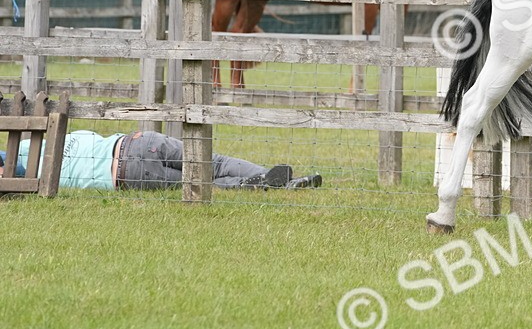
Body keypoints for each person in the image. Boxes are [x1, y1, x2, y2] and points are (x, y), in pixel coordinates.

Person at [0, 128, 322, 191]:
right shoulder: (32, 143)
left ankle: (269, 182)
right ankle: (275, 180)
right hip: (136, 144)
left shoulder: (30, 173)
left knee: (201, 181)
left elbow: (6, 171)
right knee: (211, 165)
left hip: (129, 168)